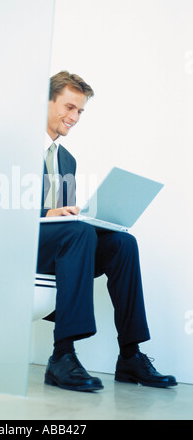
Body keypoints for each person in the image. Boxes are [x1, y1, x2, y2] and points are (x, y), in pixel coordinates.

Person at [36, 70, 177, 392]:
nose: (74, 117)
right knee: (78, 233)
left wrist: (80, 216)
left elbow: (61, 220)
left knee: (122, 243)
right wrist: (48, 213)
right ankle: (62, 355)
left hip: (58, 244)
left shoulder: (66, 159)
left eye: (80, 111)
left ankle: (130, 355)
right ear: (44, 102)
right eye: (69, 107)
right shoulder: (12, 148)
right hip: (18, 248)